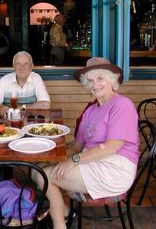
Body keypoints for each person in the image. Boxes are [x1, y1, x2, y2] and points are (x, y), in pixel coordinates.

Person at [37, 57, 139, 229]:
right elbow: (77, 146)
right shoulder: (91, 110)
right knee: (38, 168)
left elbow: (112, 147)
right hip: (91, 160)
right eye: (90, 80)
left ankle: (59, 224)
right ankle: (65, 211)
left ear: (112, 80)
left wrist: (73, 160)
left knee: (43, 176)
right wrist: (52, 156)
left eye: (100, 78)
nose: (95, 84)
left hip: (115, 168)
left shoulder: (122, 105)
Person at [0, 51, 51, 116]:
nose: (22, 68)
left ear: (31, 67)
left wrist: (22, 108)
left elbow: (46, 104)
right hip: (9, 123)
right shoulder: (5, 80)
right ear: (14, 66)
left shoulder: (36, 78)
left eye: (26, 64)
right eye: (18, 64)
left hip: (30, 122)